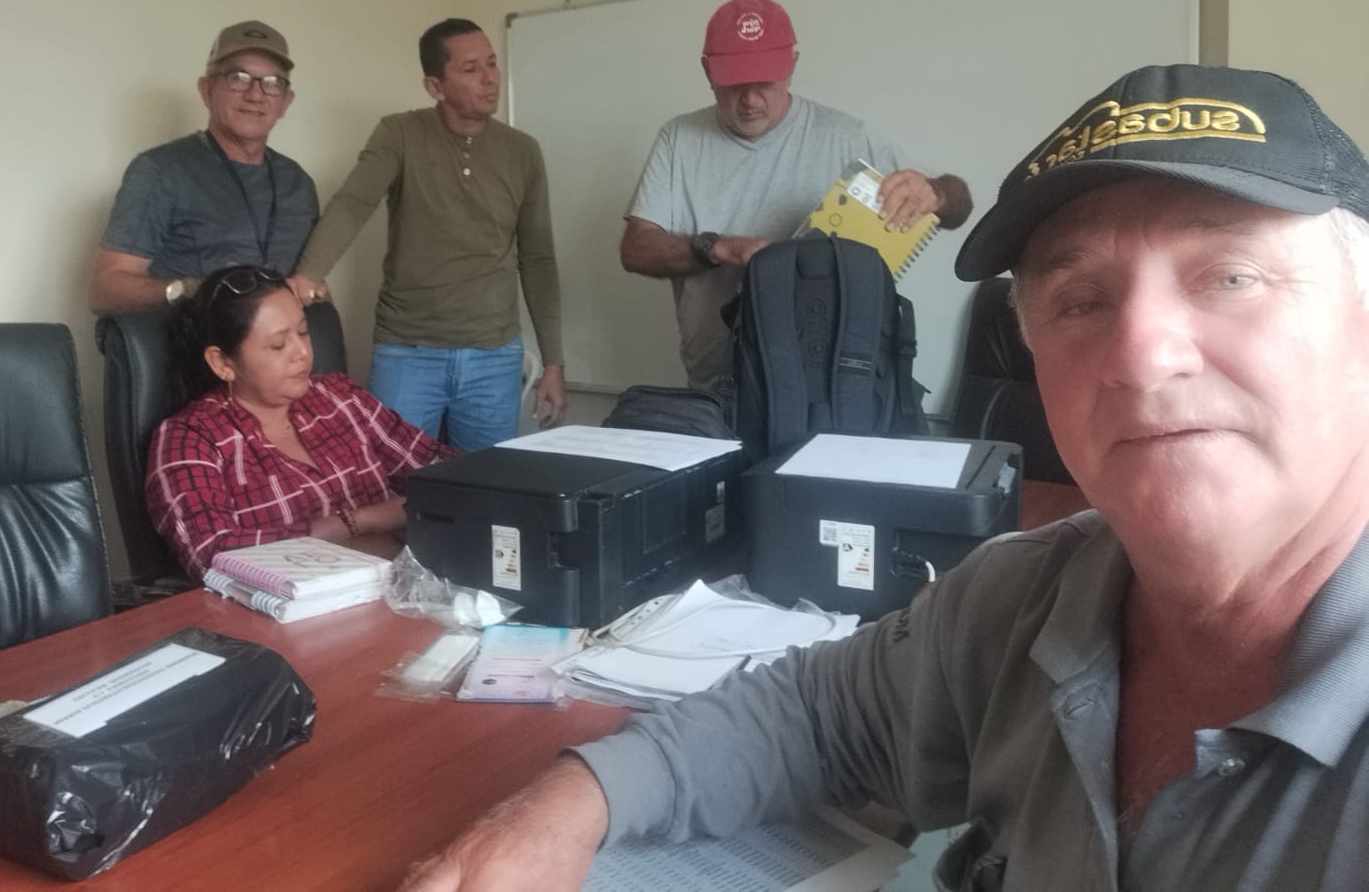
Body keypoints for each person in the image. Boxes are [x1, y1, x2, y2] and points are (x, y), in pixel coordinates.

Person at [401, 65, 1369, 891]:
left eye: (1231, 276)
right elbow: (810, 718)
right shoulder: (1021, 597)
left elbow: (946, 194)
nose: (1141, 355)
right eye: (1080, 299)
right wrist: (566, 804)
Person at [621, 0, 973, 390]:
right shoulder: (678, 140)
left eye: (765, 82)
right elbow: (635, 249)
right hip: (717, 386)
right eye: (734, 82)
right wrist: (717, 248)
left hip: (831, 388)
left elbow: (959, 206)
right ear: (707, 71)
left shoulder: (848, 137)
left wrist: (937, 193)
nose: (750, 100)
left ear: (792, 65)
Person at [293, 18, 566, 450]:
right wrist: (309, 274)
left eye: (492, 63)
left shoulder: (523, 151)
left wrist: (553, 363)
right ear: (435, 86)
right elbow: (354, 202)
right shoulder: (399, 133)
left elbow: (537, 259)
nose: (490, 78)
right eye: (471, 68)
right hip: (408, 351)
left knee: (485, 482)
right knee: (397, 480)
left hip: (494, 356)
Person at [145, 265, 453, 579]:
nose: (302, 352)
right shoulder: (190, 438)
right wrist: (359, 523)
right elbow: (211, 554)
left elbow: (450, 476)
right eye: (278, 345)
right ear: (222, 362)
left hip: (405, 590)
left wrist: (367, 522)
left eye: (303, 332)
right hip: (292, 606)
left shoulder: (339, 397)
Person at [88, 20, 320, 313]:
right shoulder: (160, 171)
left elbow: (312, 284)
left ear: (286, 101)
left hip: (282, 340)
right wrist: (193, 289)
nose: (255, 94)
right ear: (207, 90)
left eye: (272, 82)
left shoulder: (298, 184)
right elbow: (104, 291)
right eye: (239, 78)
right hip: (194, 337)